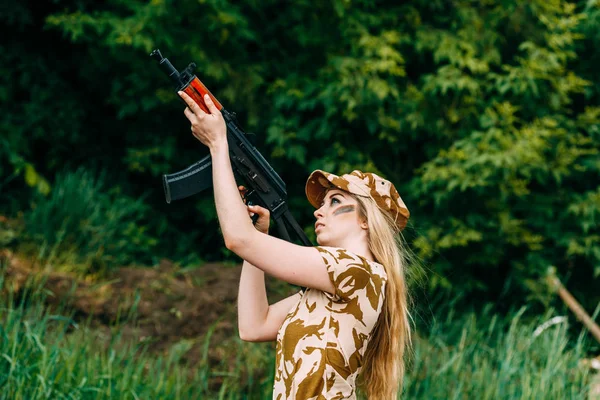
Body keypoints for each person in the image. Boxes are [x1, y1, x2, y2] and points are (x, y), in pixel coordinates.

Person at [179, 91, 412, 399]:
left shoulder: (358, 272)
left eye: (335, 201)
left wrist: (219, 146)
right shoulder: (327, 288)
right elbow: (253, 326)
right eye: (323, 203)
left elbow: (237, 239)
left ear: (366, 220)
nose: (319, 210)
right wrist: (259, 236)